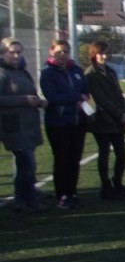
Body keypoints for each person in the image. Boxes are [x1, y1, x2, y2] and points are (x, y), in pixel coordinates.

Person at [39, 40, 90, 210]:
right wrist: (76, 96)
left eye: (65, 51)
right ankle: (61, 195)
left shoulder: (76, 70)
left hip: (78, 121)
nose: (62, 55)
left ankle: (72, 192)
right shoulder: (48, 73)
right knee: (62, 159)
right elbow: (53, 97)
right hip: (58, 122)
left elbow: (85, 90)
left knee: (75, 159)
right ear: (51, 51)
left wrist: (82, 97)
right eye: (59, 51)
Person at [0, 39, 48, 212]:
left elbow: (30, 93)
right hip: (14, 125)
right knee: (27, 164)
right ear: (3, 53)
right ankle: (29, 200)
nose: (16, 56)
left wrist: (39, 102)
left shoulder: (22, 71)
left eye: (18, 52)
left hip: (29, 124)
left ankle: (21, 198)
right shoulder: (2, 73)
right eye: (12, 52)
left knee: (24, 165)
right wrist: (24, 100)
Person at [84, 40, 125, 199]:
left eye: (106, 53)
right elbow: (100, 99)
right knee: (104, 153)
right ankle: (106, 187)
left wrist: (124, 113)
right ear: (94, 54)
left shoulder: (110, 71)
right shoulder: (91, 74)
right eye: (100, 53)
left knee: (121, 153)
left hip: (117, 119)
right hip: (102, 120)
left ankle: (118, 182)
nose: (104, 56)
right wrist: (119, 114)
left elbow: (118, 94)